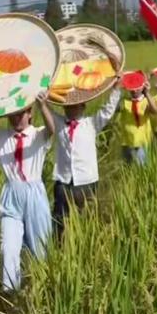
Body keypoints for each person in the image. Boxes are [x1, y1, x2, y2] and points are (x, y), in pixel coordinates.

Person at [0, 93, 55, 291]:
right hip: (11, 194)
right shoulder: (1, 137)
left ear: (29, 114)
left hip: (34, 193)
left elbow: (52, 129)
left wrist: (43, 106)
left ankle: (40, 289)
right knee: (8, 247)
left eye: (20, 114)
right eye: (12, 114)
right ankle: (10, 292)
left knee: (40, 248)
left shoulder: (38, 134)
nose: (16, 118)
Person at [49, 80, 122, 238]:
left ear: (83, 106)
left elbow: (107, 110)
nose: (71, 109)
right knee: (60, 219)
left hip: (86, 182)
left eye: (75, 105)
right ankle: (58, 248)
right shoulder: (60, 124)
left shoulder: (91, 124)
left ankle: (86, 247)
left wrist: (116, 89)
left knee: (88, 219)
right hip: (64, 181)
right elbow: (46, 110)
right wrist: (41, 98)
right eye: (68, 106)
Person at [118, 72, 157, 165]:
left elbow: (155, 110)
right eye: (132, 87)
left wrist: (147, 93)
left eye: (138, 87)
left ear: (143, 86)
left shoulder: (146, 101)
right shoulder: (124, 102)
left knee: (141, 168)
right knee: (127, 168)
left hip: (141, 142)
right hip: (127, 142)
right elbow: (111, 110)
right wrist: (118, 86)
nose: (135, 90)